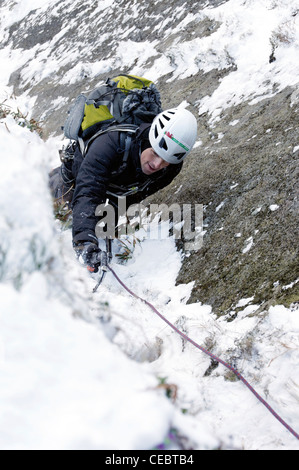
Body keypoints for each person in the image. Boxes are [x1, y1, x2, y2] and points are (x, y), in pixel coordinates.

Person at [49, 107, 197, 272]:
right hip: (73, 179)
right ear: (148, 141)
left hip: (110, 189)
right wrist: (85, 242)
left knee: (96, 229)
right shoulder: (110, 143)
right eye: (154, 153)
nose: (157, 164)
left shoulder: (171, 169)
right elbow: (88, 192)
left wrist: (106, 221)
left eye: (165, 161)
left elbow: (134, 195)